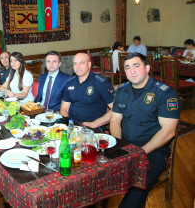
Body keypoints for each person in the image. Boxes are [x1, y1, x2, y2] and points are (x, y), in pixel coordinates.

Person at [110, 53, 181, 207]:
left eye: (137, 66)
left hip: (153, 150)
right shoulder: (122, 91)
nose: (132, 71)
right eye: (127, 68)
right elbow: (115, 120)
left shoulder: (165, 94)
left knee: (138, 184)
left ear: (147, 68)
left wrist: (140, 152)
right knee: (96, 172)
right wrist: (119, 146)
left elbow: (169, 131)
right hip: (126, 146)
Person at [60, 53, 114, 130]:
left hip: (94, 127)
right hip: (75, 126)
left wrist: (93, 124)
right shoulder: (70, 83)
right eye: (75, 64)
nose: (78, 66)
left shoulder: (101, 83)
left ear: (89, 64)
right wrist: (68, 125)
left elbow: (116, 109)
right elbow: (64, 109)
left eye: (82, 63)